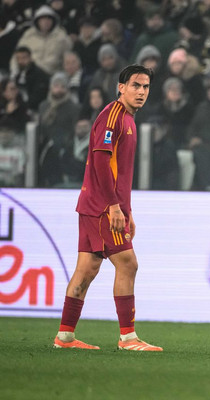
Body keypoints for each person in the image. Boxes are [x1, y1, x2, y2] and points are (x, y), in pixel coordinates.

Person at [53, 64, 162, 351]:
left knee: (87, 269)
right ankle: (128, 338)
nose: (141, 91)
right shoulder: (113, 115)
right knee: (128, 263)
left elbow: (121, 172)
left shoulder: (128, 119)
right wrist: (114, 206)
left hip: (100, 205)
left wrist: (128, 211)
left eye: (146, 87)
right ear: (121, 87)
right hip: (102, 206)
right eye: (135, 85)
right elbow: (101, 160)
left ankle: (65, 336)